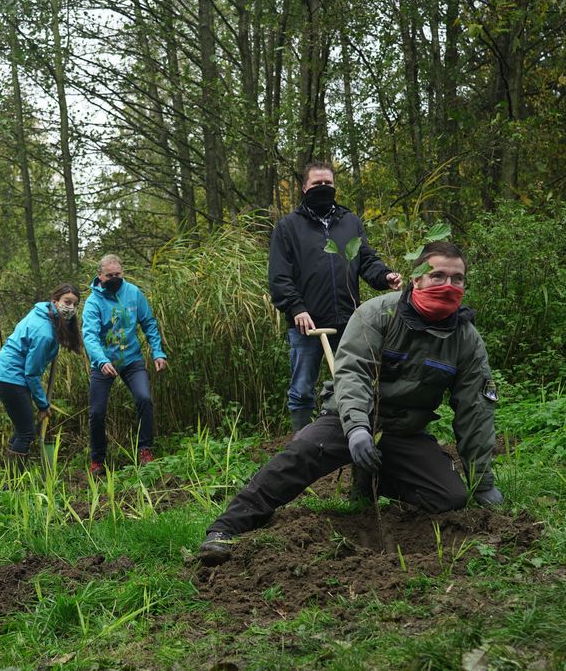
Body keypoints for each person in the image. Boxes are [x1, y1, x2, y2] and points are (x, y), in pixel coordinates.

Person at [198, 241, 502, 567]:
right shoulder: (378, 315)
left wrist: (482, 483)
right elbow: (352, 374)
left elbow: (476, 413)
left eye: (457, 279)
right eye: (438, 276)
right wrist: (357, 427)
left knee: (450, 498)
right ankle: (226, 527)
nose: (448, 286)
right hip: (349, 419)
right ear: (417, 279)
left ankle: (373, 476)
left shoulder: (466, 339)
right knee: (299, 454)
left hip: (404, 431)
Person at [270, 162, 403, 433]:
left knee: (351, 381)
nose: (322, 188)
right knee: (302, 388)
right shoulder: (288, 227)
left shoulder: (349, 222)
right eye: (317, 184)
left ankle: (346, 433)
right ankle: (301, 441)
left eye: (327, 184)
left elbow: (366, 260)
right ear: (304, 187)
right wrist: (296, 308)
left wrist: (385, 276)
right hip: (307, 324)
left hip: (347, 320)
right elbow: (279, 276)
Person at [81, 254, 167, 473]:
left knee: (144, 398)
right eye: (110, 275)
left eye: (118, 274)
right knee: (97, 412)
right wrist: (100, 360)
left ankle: (145, 449)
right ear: (100, 276)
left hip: (131, 358)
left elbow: (149, 323)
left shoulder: (133, 293)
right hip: (104, 362)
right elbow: (89, 336)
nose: (115, 278)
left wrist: (158, 352)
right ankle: (98, 460)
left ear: (123, 273)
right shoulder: (93, 302)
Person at [0, 284, 82, 458]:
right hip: (10, 378)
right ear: (55, 301)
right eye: (67, 302)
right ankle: (12, 482)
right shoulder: (45, 333)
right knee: (27, 432)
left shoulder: (41, 312)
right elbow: (31, 374)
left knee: (22, 427)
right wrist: (43, 405)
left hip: (3, 375)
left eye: (75, 305)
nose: (71, 308)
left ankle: (10, 474)